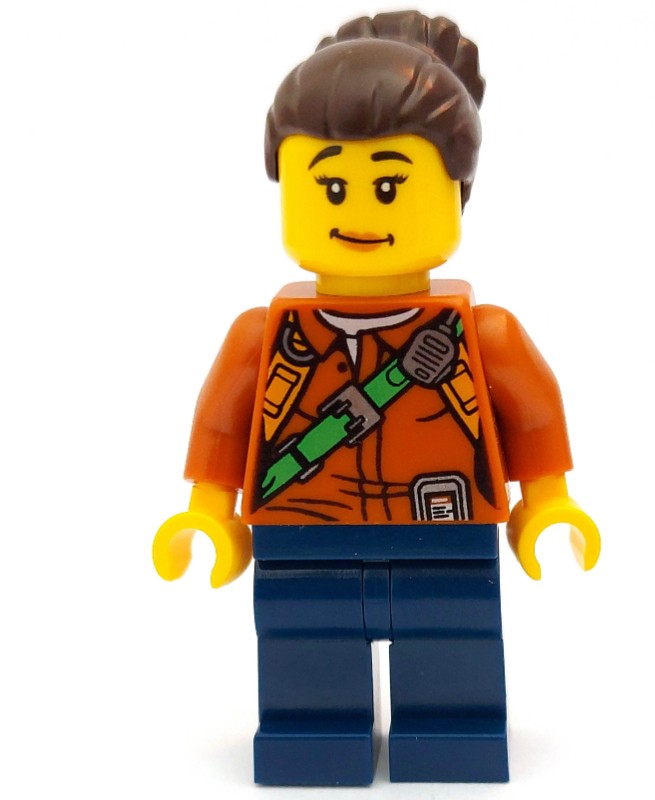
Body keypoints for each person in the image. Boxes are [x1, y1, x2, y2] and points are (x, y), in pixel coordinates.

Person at [153, 11, 600, 786]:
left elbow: (533, 412)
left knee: (453, 647)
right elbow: (223, 422)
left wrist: (546, 504)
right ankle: (312, 734)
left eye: (390, 185)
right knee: (304, 651)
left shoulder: (483, 332)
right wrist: (208, 514)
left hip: (447, 531)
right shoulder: (267, 336)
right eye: (330, 185)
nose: (358, 212)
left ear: (455, 190)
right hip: (303, 535)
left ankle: (452, 732)